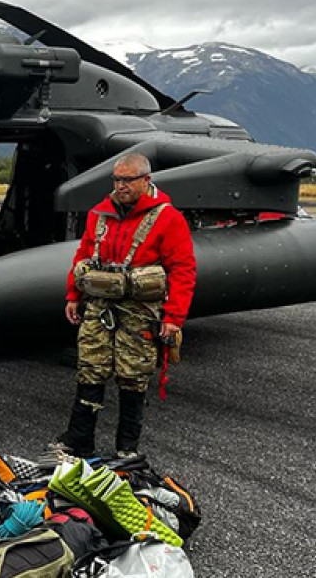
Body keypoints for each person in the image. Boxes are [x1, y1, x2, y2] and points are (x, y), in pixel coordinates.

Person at [49, 152, 196, 460]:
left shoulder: (168, 219)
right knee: (90, 370)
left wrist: (174, 318)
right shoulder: (99, 214)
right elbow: (84, 255)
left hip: (139, 313)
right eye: (117, 179)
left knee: (133, 376)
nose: (121, 186)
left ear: (146, 180)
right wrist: (73, 295)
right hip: (100, 308)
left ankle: (127, 447)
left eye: (128, 180)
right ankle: (79, 439)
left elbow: (183, 270)